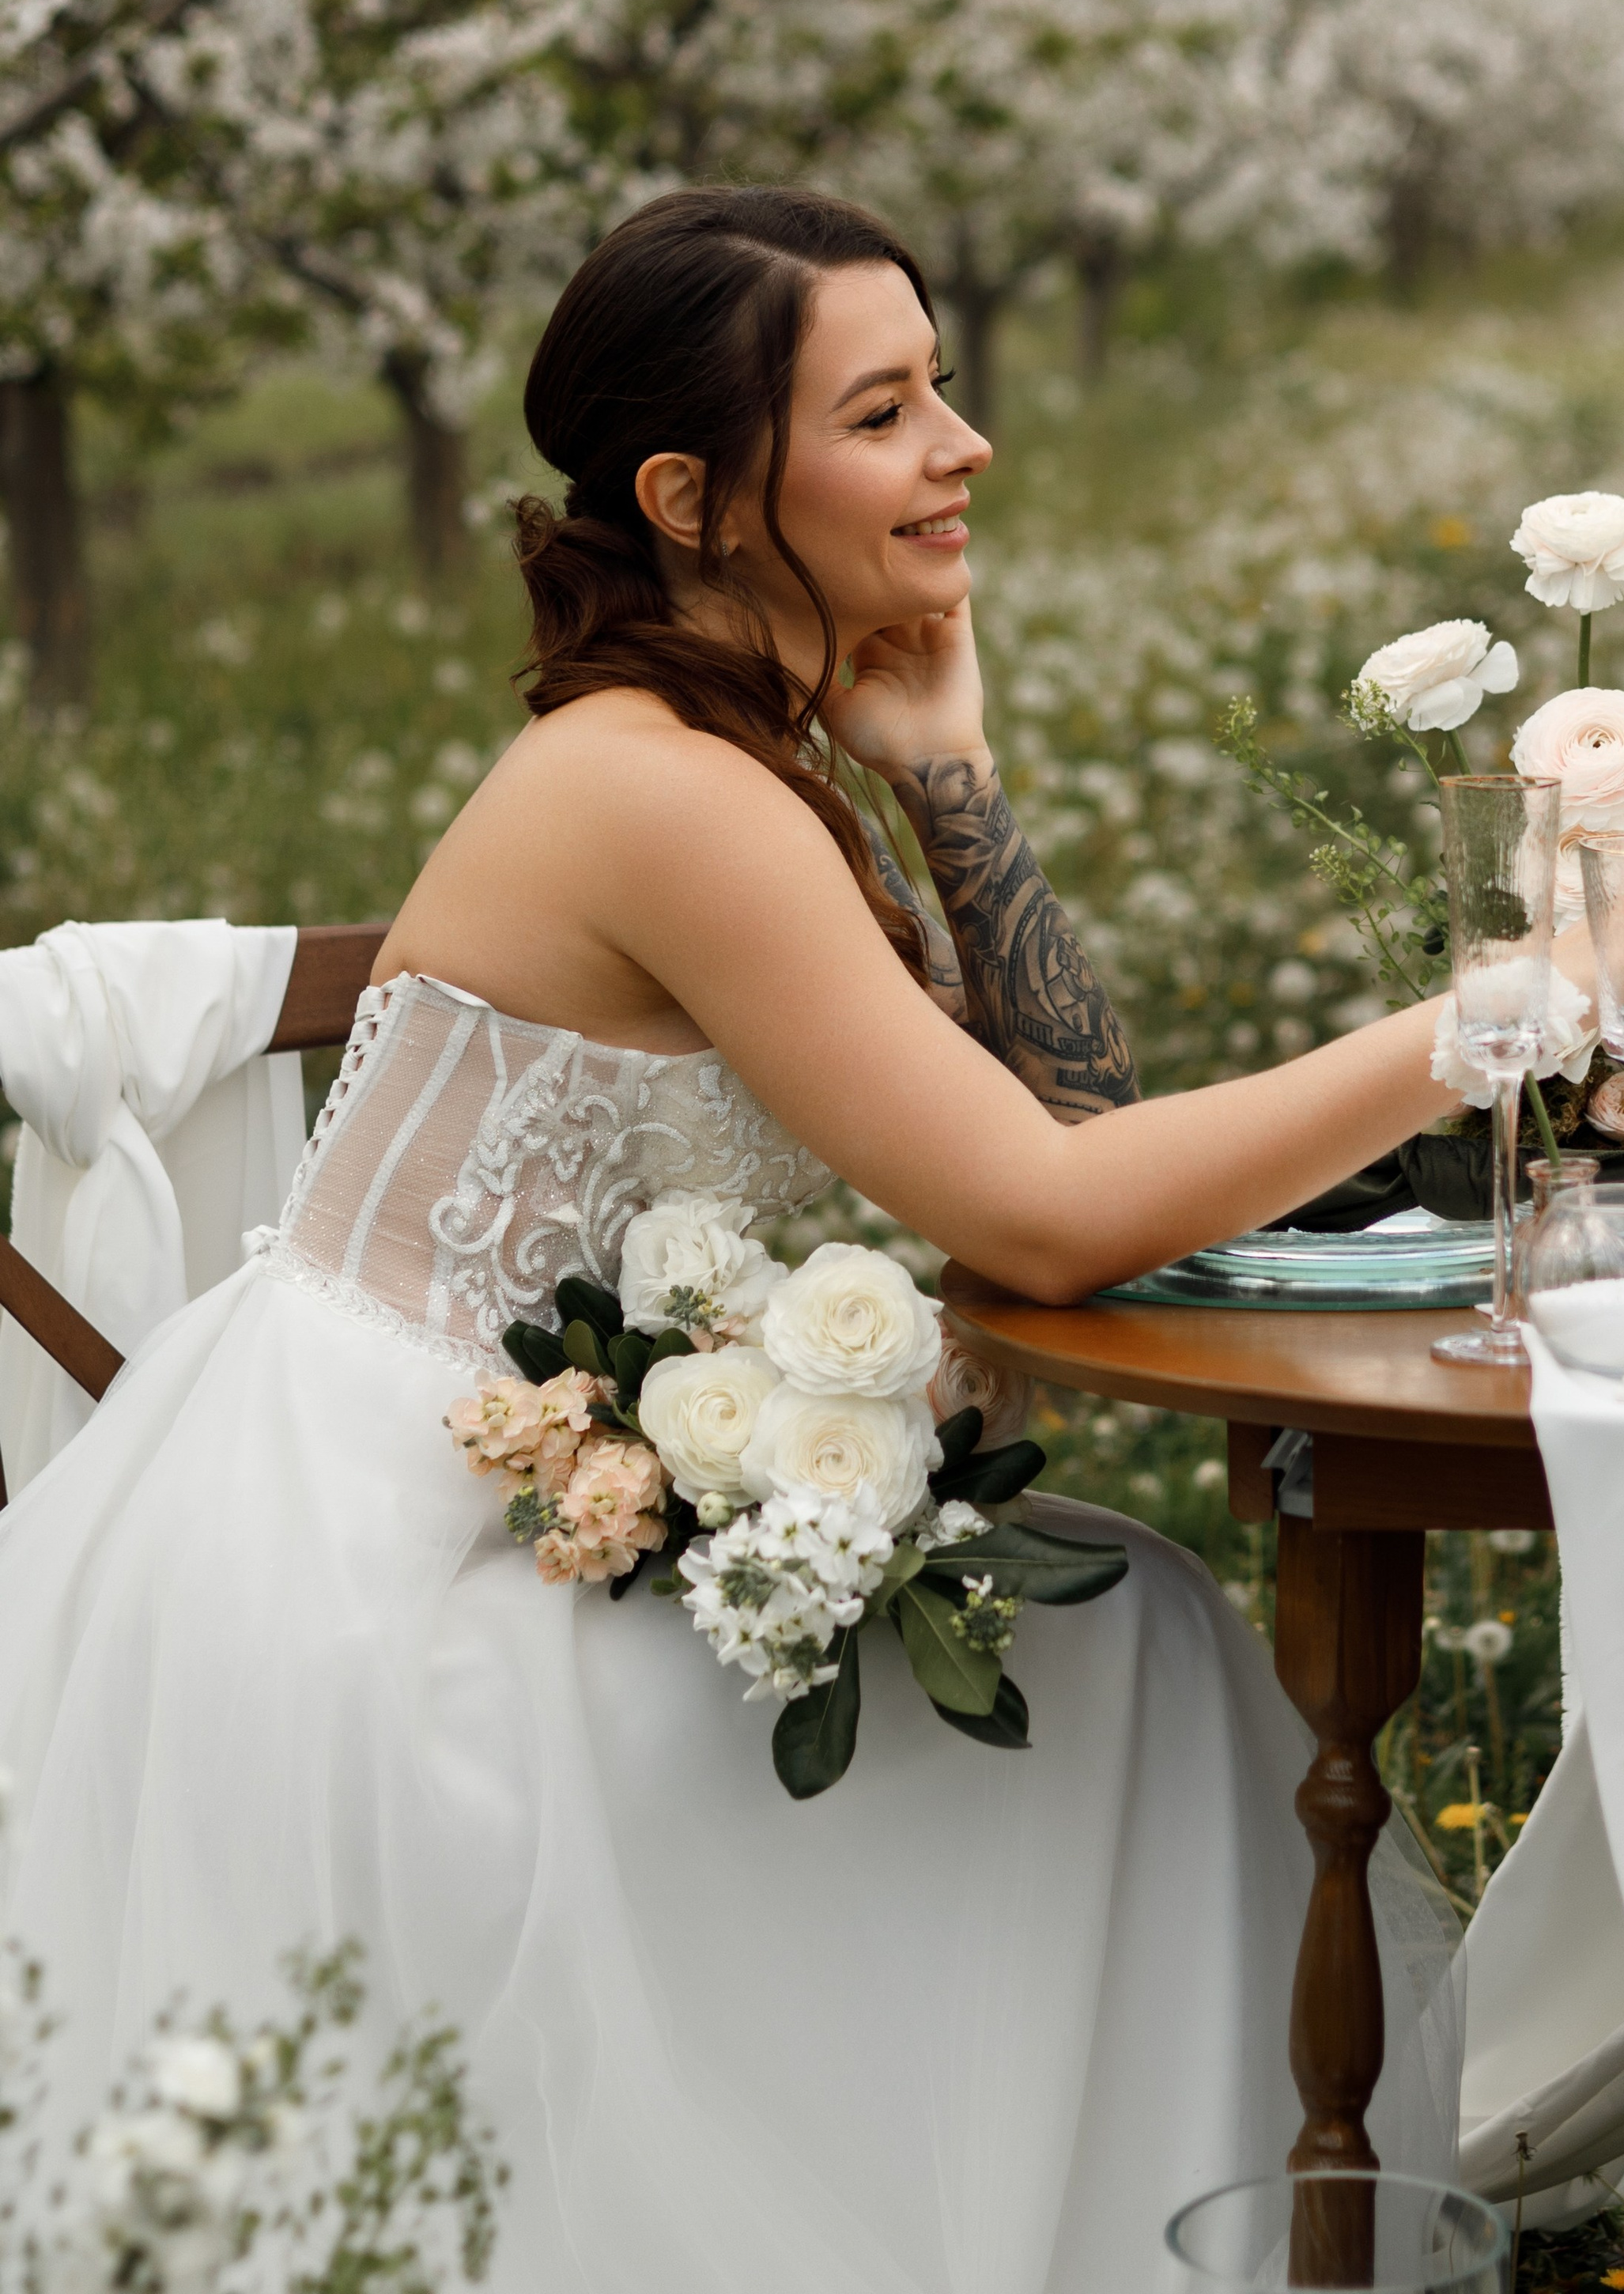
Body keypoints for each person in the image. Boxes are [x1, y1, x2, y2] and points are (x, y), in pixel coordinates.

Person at [0, 189, 1473, 2294]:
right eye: (883, 412)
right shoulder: (664, 793)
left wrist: (948, 774)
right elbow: (1053, 1212)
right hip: (384, 1572)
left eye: (940, 385)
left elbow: (1066, 1109)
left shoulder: (740, 754)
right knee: (1135, 1653)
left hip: (525, 1482)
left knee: (1129, 1633)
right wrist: (1492, 1021)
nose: (964, 444)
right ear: (692, 497)